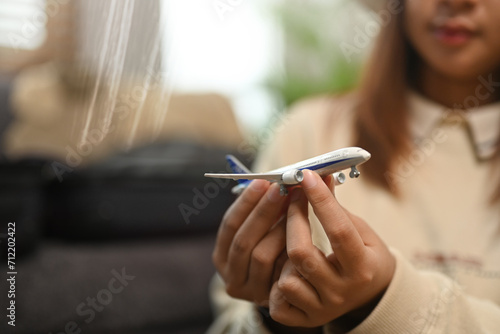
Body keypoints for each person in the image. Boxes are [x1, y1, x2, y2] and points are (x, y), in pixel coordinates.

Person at [208, 0, 500, 332]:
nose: (456, 1)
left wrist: (384, 298)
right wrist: (276, 318)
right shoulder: (306, 130)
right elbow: (229, 321)